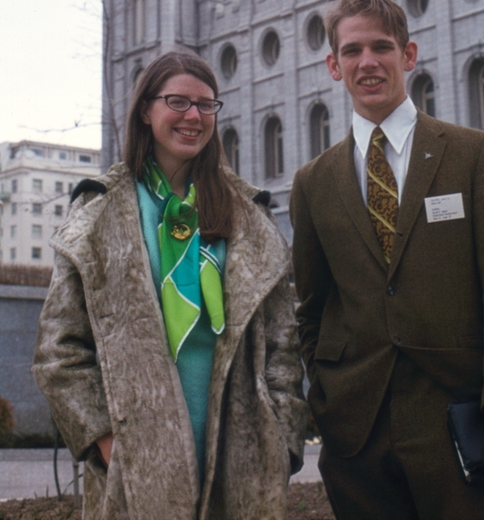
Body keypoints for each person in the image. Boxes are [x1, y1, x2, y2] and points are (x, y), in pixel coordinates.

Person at [290, 0, 484, 520]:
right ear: (334, 66)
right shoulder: (313, 182)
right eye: (352, 51)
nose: (368, 62)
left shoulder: (474, 155)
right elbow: (312, 308)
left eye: (381, 47)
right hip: (356, 438)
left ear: (408, 55)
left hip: (459, 425)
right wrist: (327, 401)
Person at [33, 50, 307, 520]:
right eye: (177, 102)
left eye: (206, 105)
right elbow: (59, 350)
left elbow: (283, 345)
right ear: (146, 110)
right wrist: (106, 442)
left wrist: (280, 440)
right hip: (135, 466)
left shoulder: (248, 215)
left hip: (240, 459)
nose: (194, 117)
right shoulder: (99, 213)